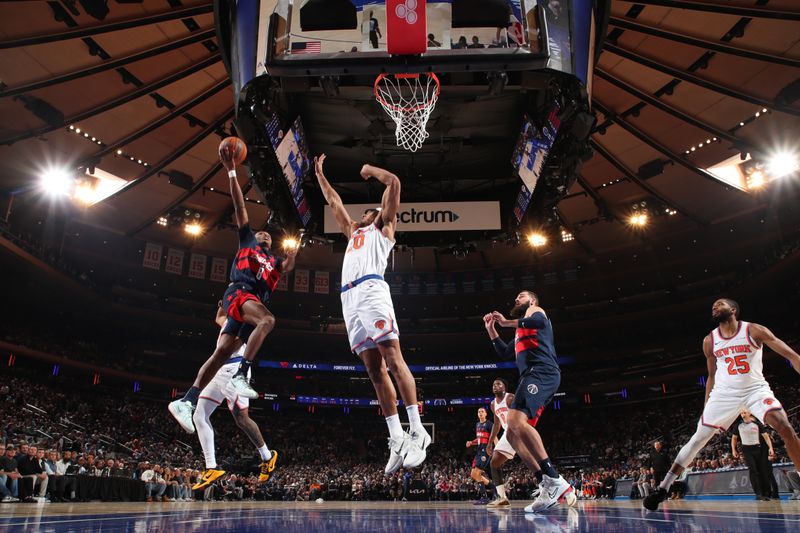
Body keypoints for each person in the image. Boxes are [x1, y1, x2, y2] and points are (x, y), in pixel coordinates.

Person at [314, 154, 430, 474]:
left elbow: (394, 182)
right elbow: (334, 201)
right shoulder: (353, 233)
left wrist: (371, 171)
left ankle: (417, 428)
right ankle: (397, 437)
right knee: (373, 370)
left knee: (393, 359)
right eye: (367, 212)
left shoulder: (384, 229)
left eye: (373, 211)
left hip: (372, 291)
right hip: (349, 298)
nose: (367, 213)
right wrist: (320, 174)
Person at [168, 144, 297, 432]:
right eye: (261, 231)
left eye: (267, 234)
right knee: (268, 319)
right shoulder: (248, 241)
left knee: (221, 353)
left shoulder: (274, 261)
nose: (263, 233)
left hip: (248, 303)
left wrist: (294, 251)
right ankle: (243, 373)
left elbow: (287, 267)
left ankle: (186, 401)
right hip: (239, 293)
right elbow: (239, 207)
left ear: (271, 243)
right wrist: (231, 173)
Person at [644, 298, 800, 510]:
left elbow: (791, 355)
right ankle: (663, 487)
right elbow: (711, 375)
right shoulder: (709, 340)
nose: (715, 307)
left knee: (784, 426)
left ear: (733, 310)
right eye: (713, 306)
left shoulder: (754, 330)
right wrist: (707, 405)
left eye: (720, 304)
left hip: (755, 389)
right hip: (724, 395)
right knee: (698, 439)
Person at [486, 291, 576, 512]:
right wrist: (491, 330)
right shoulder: (520, 330)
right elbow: (505, 353)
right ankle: (544, 482)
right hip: (530, 375)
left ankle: (555, 479)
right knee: (511, 433)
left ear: (532, 300)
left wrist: (505, 322)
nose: (516, 299)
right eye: (515, 296)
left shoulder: (535, 311)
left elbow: (537, 320)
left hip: (542, 371)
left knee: (515, 421)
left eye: (521, 296)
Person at [192, 303, 279, 490]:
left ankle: (267, 456)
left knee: (241, 419)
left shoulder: (244, 323)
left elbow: (236, 341)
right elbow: (219, 317)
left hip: (234, 369)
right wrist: (223, 304)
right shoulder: (227, 323)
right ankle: (212, 467)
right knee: (199, 415)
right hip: (218, 371)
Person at [484, 378, 516, 508]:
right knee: (494, 463)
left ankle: (561, 488)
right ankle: (502, 497)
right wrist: (490, 442)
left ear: (504, 387)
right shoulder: (493, 404)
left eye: (498, 384)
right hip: (507, 432)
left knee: (535, 461)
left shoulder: (510, 398)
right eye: (493, 384)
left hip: (516, 430)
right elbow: (497, 424)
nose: (495, 386)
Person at [731, 409, 776, 500]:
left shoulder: (757, 424)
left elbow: (766, 437)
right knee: (753, 470)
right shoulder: (738, 425)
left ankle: (766, 493)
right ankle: (758, 494)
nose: (743, 414)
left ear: (749, 413)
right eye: (741, 413)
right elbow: (734, 438)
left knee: (762, 470)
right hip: (746, 449)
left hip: (758, 448)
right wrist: (733, 450)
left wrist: (770, 448)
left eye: (744, 412)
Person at [466, 407, 494, 505]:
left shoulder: (490, 424)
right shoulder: (477, 424)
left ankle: (484, 497)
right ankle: (494, 488)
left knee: (477, 473)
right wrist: (471, 442)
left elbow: (494, 438)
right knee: (473, 474)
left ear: (486, 414)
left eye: (482, 411)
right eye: (479, 411)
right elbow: (479, 439)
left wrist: (497, 450)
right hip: (478, 451)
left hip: (485, 451)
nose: (480, 413)